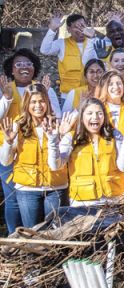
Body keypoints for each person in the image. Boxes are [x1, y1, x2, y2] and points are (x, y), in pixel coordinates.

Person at [0, 85, 67, 226]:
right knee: (32, 232)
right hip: (27, 189)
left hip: (55, 187)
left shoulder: (58, 125)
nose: (38, 106)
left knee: (56, 232)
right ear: (26, 104)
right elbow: (6, 161)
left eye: (41, 101)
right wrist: (8, 142)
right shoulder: (18, 125)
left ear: (47, 102)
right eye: (33, 102)